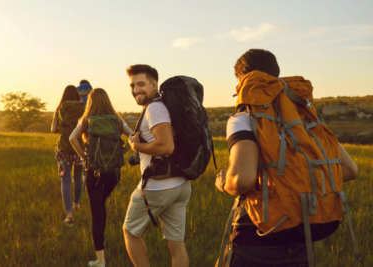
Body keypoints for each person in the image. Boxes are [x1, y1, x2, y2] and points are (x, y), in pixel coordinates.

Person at [215, 49, 359, 267]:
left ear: (244, 81)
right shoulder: (305, 119)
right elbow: (350, 170)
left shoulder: (243, 118)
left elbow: (242, 180)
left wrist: (224, 182)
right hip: (303, 238)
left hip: (256, 238)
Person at [123, 64, 191, 267]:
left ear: (154, 84)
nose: (136, 90)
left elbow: (166, 145)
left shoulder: (155, 108)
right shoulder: (165, 106)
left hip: (157, 186)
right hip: (180, 184)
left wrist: (136, 146)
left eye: (141, 84)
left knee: (130, 231)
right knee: (177, 245)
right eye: (133, 85)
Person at [69, 88, 133, 267]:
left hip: (94, 173)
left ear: (91, 102)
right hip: (113, 174)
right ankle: (101, 258)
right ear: (107, 100)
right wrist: (122, 151)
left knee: (96, 214)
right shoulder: (117, 121)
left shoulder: (86, 121)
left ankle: (101, 262)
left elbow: (72, 138)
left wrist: (84, 157)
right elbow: (134, 137)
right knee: (100, 205)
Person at [51, 85, 85, 226]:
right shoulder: (84, 108)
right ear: (77, 95)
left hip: (64, 147)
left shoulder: (60, 108)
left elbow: (53, 130)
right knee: (77, 177)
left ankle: (69, 215)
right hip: (79, 147)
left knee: (65, 181)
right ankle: (76, 204)